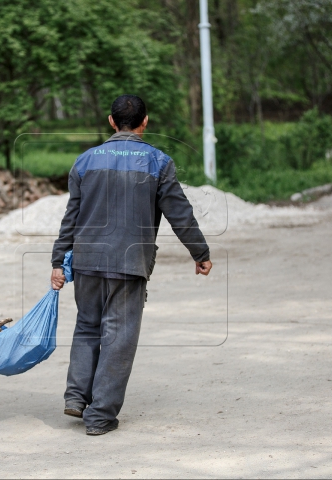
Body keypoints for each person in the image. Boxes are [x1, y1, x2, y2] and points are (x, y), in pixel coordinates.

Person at [50, 94, 213, 436]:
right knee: (118, 336)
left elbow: (71, 217)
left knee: (87, 326)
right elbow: (179, 212)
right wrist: (199, 252)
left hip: (87, 259)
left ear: (111, 121)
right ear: (145, 121)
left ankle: (77, 397)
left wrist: (58, 260)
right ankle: (100, 416)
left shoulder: (85, 161)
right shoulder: (158, 162)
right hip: (129, 261)